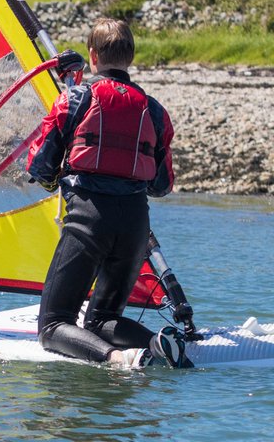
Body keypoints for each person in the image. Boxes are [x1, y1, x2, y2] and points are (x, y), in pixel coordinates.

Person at [28, 18, 189, 368]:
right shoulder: (156, 112)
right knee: (101, 320)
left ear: (92, 55)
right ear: (130, 57)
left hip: (89, 219)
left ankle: (118, 358)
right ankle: (157, 343)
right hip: (135, 225)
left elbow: (40, 168)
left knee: (53, 325)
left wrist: (56, 178)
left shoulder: (73, 99)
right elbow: (161, 186)